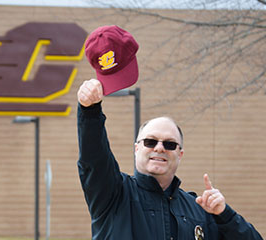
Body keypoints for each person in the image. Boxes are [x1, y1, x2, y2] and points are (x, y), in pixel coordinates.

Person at [77, 78, 263, 240]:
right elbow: (94, 158)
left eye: (170, 144)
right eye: (150, 142)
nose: (159, 148)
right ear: (137, 149)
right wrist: (90, 111)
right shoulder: (113, 194)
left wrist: (225, 215)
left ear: (180, 154)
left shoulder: (200, 210)